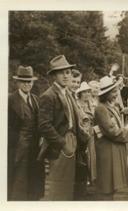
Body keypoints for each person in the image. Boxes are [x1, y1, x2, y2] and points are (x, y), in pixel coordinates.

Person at [38, 55, 89, 200]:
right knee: (58, 191)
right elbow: (44, 126)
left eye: (68, 72)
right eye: (62, 72)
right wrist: (62, 144)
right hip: (59, 149)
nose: (66, 76)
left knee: (69, 189)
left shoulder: (68, 93)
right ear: (54, 75)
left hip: (73, 147)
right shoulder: (48, 96)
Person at [94, 76, 128, 200]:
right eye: (114, 92)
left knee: (111, 186)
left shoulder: (109, 106)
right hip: (107, 150)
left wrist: (123, 129)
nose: (117, 94)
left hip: (112, 149)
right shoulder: (101, 108)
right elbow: (111, 132)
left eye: (116, 91)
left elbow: (114, 128)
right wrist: (127, 131)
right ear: (106, 94)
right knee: (107, 186)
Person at [8, 66, 44, 200]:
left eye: (29, 81)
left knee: (34, 184)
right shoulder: (10, 100)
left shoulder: (35, 99)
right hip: (18, 149)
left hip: (34, 149)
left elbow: (40, 122)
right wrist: (18, 142)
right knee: (18, 184)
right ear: (17, 82)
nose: (27, 84)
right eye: (23, 81)